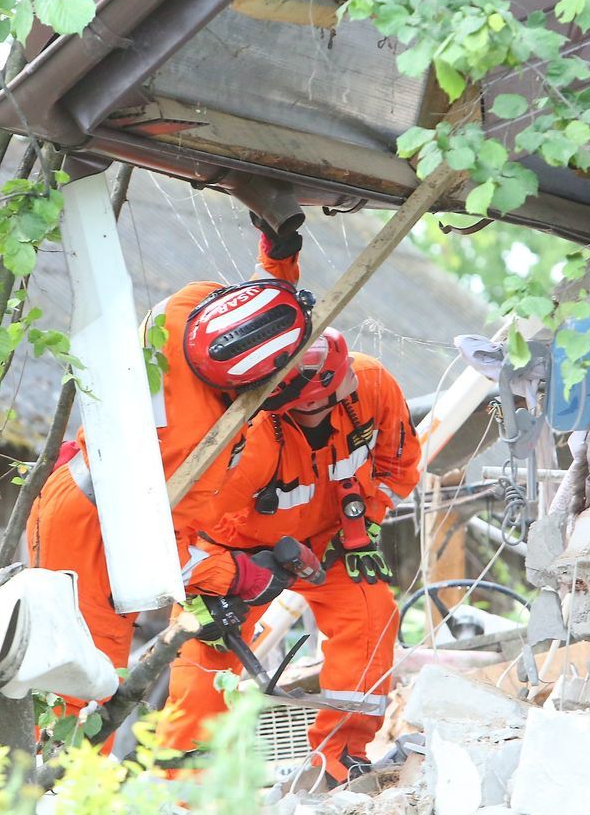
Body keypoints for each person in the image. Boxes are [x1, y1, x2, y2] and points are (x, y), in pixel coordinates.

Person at [26, 219, 312, 717]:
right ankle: (63, 792)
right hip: (99, 538)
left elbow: (254, 311)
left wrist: (278, 261)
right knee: (83, 685)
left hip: (74, 492)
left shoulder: (188, 308)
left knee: (51, 664)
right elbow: (162, 555)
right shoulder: (198, 450)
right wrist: (238, 576)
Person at [159, 329, 422, 785]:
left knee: (370, 614)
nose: (314, 409)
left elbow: (396, 466)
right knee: (207, 659)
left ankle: (341, 758)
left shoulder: (373, 386)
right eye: (301, 404)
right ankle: (185, 792)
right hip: (236, 552)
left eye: (323, 400)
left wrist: (365, 526)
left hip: (332, 539)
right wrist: (207, 584)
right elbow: (176, 529)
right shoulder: (250, 438)